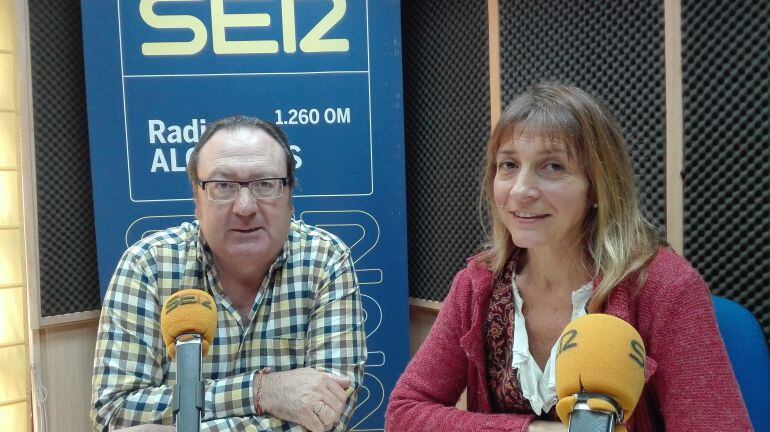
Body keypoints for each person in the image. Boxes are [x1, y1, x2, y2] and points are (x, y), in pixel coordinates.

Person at [385, 83, 752, 431]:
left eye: (553, 167)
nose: (521, 189)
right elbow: (404, 413)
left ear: (597, 186)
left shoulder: (665, 287)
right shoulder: (477, 285)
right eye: (508, 165)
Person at [91, 116, 367, 432]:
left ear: (290, 197)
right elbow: (113, 415)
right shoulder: (149, 266)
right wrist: (262, 391)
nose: (245, 207)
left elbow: (328, 414)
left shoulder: (325, 260)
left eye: (265, 184)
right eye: (223, 186)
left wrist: (186, 423)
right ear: (196, 199)